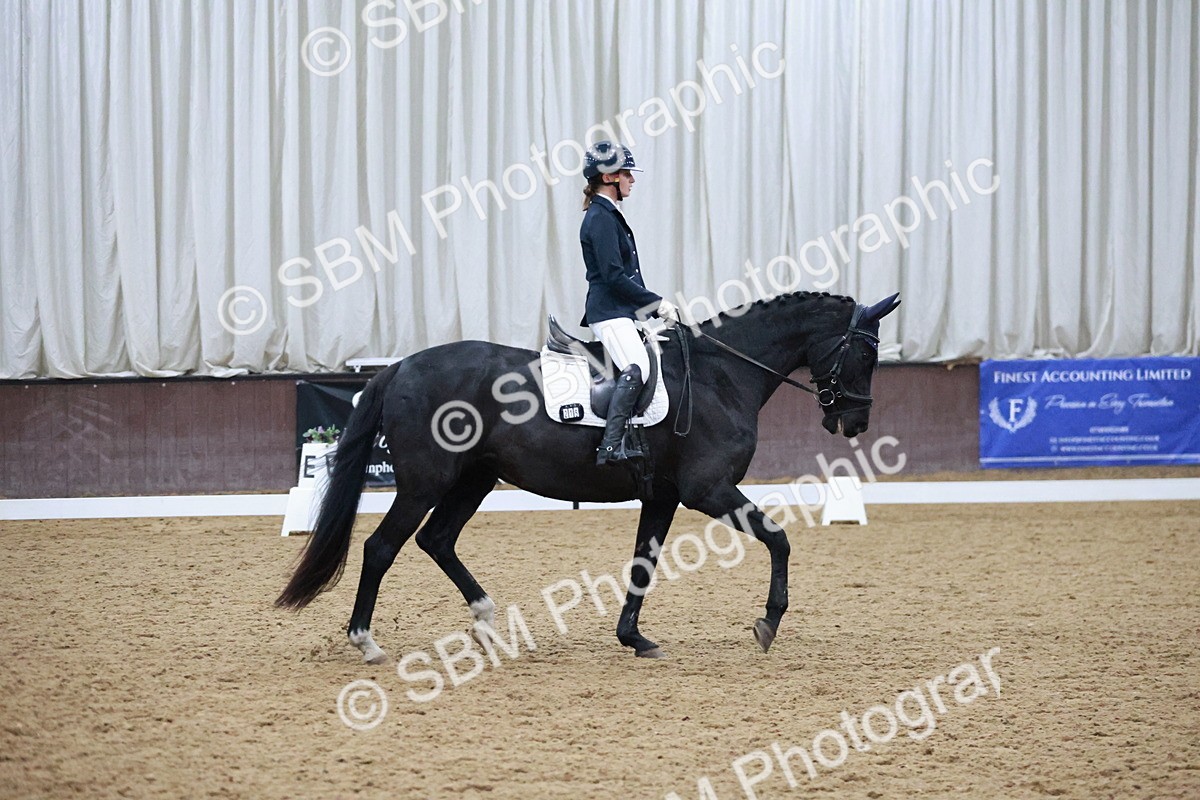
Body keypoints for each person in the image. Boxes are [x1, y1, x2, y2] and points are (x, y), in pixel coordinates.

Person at [578, 140, 679, 466]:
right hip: (608, 312)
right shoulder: (601, 217)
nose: (632, 179)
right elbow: (614, 277)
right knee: (637, 368)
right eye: (627, 174)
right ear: (609, 177)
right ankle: (610, 445)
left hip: (619, 311)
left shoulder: (608, 214)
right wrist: (657, 304)